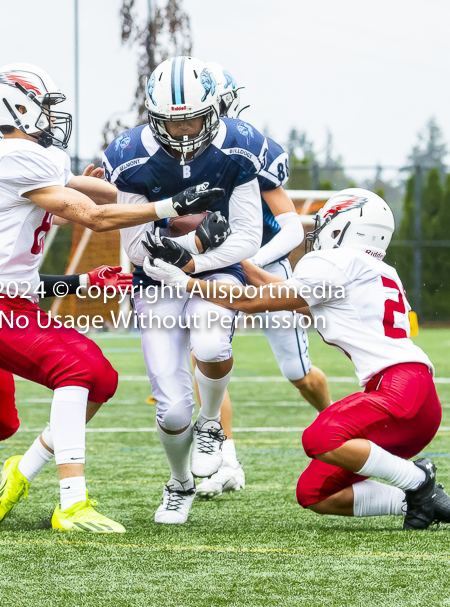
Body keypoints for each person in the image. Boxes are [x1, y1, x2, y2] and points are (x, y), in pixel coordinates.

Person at [0, 62, 223, 533]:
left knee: (100, 377)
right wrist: (169, 207)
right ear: (20, 106)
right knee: (75, 369)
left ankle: (24, 469)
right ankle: (72, 502)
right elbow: (92, 215)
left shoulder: (27, 156)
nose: (55, 116)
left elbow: (103, 189)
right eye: (46, 106)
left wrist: (159, 199)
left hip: (14, 300)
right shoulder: (11, 156)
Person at [143, 188, 450, 530]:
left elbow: (250, 301)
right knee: (314, 493)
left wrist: (185, 282)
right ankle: (420, 500)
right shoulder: (373, 270)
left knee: (319, 438)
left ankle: (418, 479)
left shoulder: (333, 262)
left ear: (343, 228)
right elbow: (280, 293)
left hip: (398, 391)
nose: (319, 233)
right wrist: (230, 255)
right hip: (416, 401)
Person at [102, 56, 267, 524]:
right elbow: (135, 248)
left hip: (213, 269)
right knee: (173, 409)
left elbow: (247, 237)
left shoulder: (239, 146)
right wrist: (185, 243)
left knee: (212, 342)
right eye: (171, 123)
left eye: (193, 118)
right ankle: (179, 483)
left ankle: (212, 424)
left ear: (214, 110)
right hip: (155, 278)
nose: (183, 131)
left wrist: (192, 263)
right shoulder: (131, 156)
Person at [194, 63, 330, 500]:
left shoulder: (250, 147)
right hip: (216, 271)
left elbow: (293, 229)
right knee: (206, 356)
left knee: (299, 373)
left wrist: (252, 261)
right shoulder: (179, 156)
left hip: (264, 268)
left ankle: (339, 427)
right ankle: (227, 459)